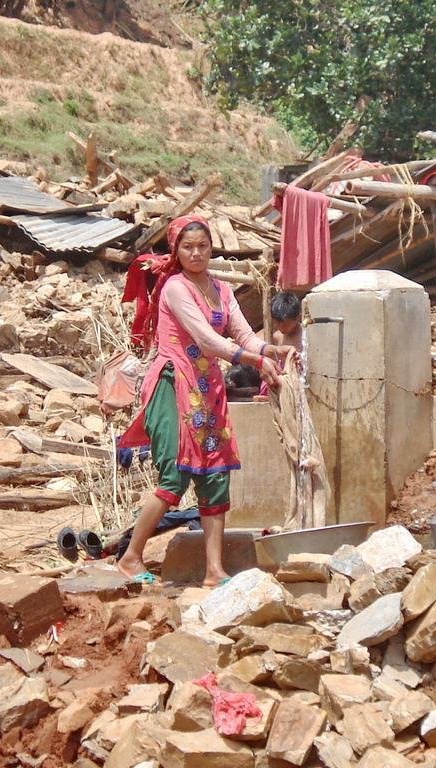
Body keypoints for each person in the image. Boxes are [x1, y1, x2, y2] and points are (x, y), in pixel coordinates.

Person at [118, 214, 295, 586]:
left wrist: (270, 351)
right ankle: (131, 557)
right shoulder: (175, 289)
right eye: (188, 247)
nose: (196, 253)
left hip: (207, 390)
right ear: (176, 250)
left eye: (203, 246)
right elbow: (206, 339)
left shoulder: (222, 290)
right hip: (173, 383)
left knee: (216, 475)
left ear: (212, 248)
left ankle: (214, 572)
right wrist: (253, 361)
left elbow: (243, 334)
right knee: (174, 476)